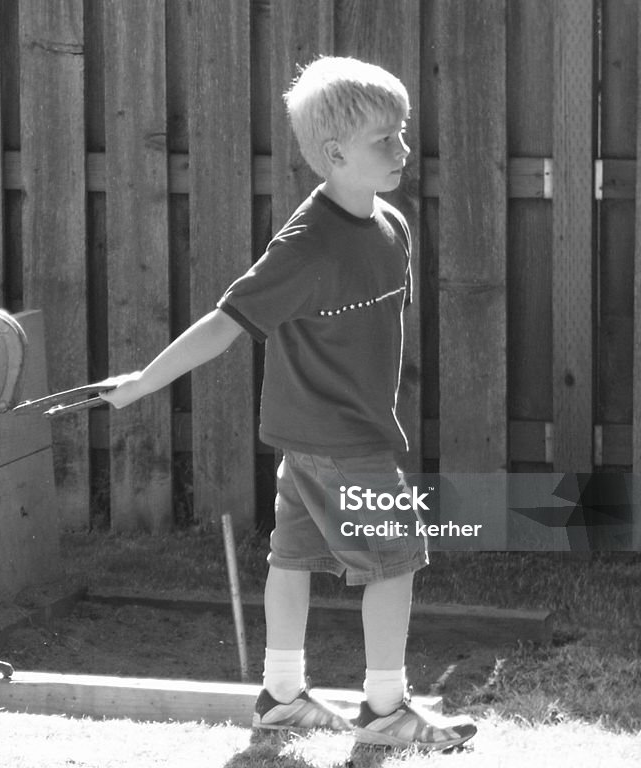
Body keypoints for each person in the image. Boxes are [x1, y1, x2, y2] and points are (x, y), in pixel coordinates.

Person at [100, 56, 476, 752]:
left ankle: (280, 696)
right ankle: (387, 709)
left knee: (292, 559)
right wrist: (144, 383)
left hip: (314, 442)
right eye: (382, 140)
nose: (401, 149)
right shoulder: (304, 249)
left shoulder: (391, 225)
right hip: (344, 444)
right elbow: (223, 323)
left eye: (402, 132)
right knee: (397, 562)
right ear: (334, 155)